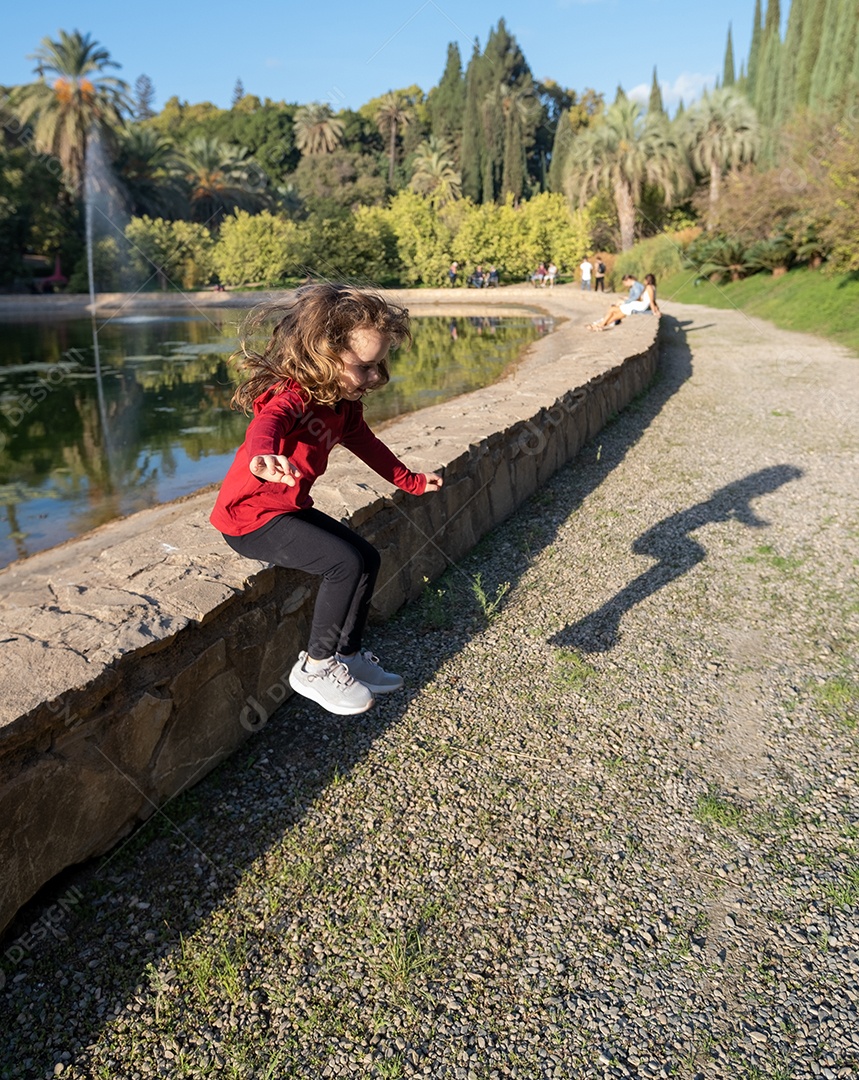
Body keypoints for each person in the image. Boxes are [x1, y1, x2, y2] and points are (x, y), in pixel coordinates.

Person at [210, 284, 444, 716]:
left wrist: (410, 481)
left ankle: (348, 656)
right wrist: (265, 455)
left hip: (287, 510)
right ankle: (316, 667)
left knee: (366, 558)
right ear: (325, 355)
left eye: (380, 365)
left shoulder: (342, 405)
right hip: (250, 519)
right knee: (343, 563)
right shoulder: (293, 396)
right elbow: (267, 423)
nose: (375, 377)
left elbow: (370, 447)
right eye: (365, 367)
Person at [587, 273, 660, 330]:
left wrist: (654, 312)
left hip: (639, 306)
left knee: (613, 310)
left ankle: (600, 324)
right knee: (615, 315)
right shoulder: (651, 288)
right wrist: (656, 310)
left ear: (647, 280)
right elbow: (652, 300)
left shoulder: (649, 287)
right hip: (638, 305)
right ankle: (600, 325)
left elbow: (651, 301)